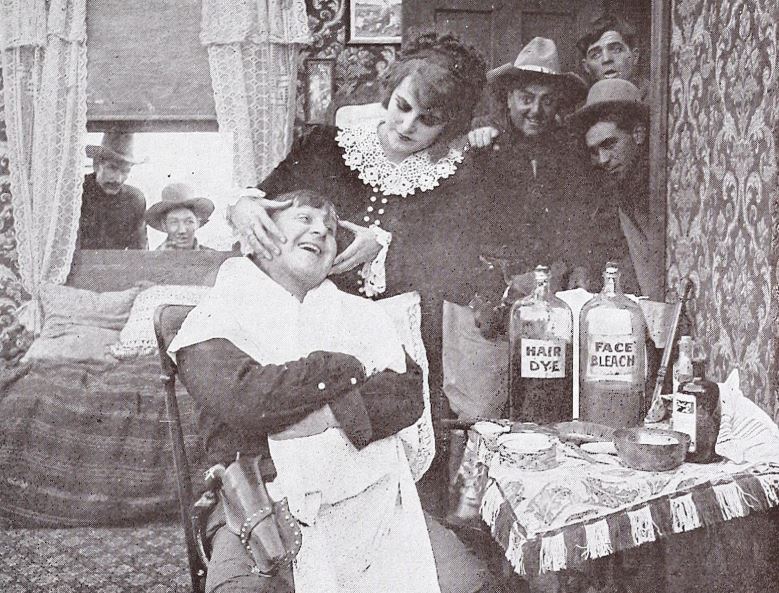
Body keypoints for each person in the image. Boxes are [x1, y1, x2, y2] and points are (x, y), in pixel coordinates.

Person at [169, 190, 440, 593]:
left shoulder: (359, 313)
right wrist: (342, 367)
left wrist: (327, 416)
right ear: (260, 235)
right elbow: (248, 401)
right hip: (263, 500)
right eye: (304, 219)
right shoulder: (218, 312)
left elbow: (405, 393)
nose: (320, 232)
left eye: (329, 229)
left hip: (371, 494)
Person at [568, 78, 661, 298]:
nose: (603, 159)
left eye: (610, 144)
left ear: (638, 134)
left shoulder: (660, 184)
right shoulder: (619, 189)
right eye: (595, 150)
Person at [78, 132, 148, 249]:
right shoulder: (77, 192)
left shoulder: (135, 200)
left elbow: (140, 252)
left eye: (125, 171)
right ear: (96, 165)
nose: (118, 179)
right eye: (112, 168)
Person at [576, 14, 647, 98]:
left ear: (635, 56)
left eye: (617, 50)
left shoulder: (657, 99)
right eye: (595, 55)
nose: (606, 59)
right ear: (587, 67)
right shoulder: (586, 103)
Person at [145, 183, 215, 251]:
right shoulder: (154, 258)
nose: (182, 230)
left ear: (197, 223)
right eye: (174, 222)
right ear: (164, 225)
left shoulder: (212, 256)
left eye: (189, 222)